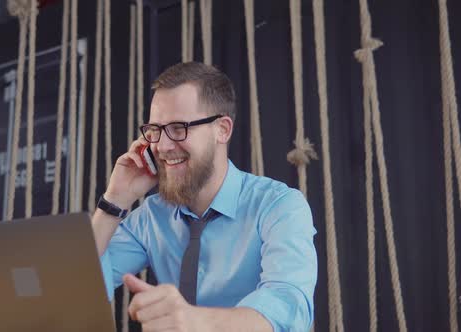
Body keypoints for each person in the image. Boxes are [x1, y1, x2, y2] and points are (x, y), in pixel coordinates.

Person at [92, 62, 317, 332]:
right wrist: (114, 200)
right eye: (155, 130)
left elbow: (288, 308)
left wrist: (194, 321)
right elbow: (76, 289)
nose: (162, 146)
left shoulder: (279, 206)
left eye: (178, 128)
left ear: (222, 129)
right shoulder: (151, 216)